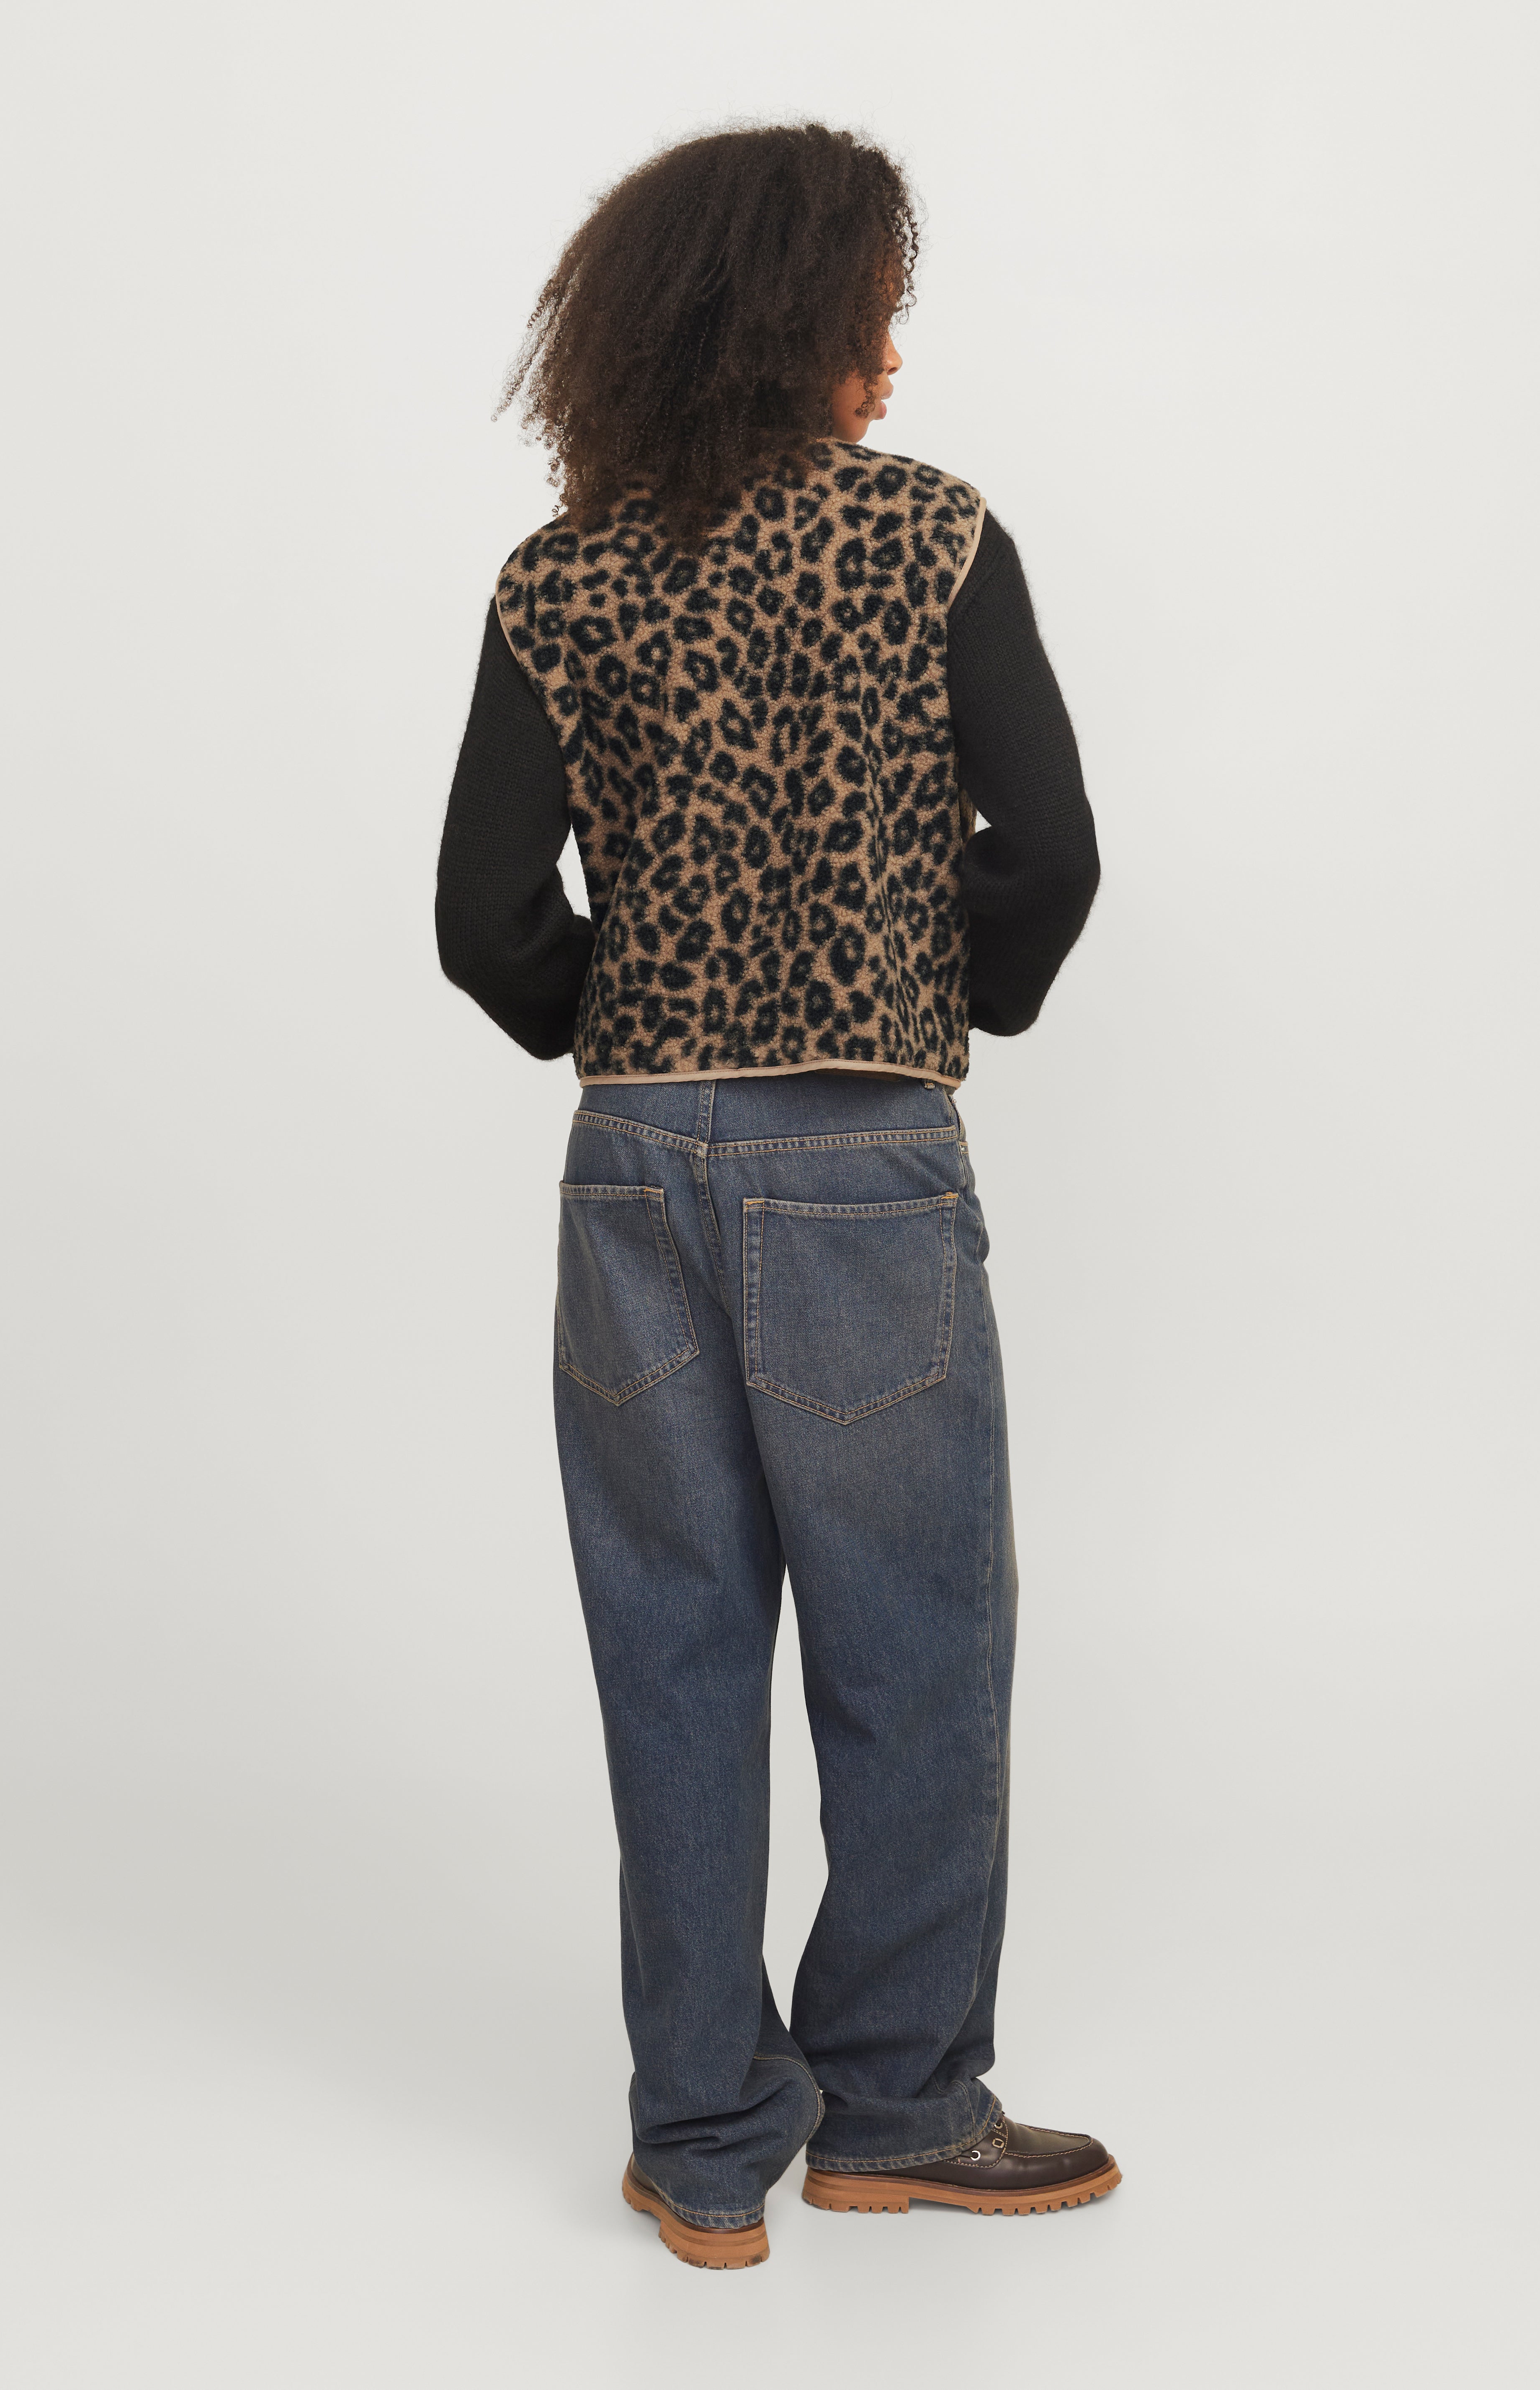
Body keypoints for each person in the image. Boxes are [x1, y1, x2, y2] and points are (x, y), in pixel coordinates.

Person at [436, 122, 1114, 2271]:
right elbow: (1052, 853)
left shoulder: (563, 575)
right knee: (913, 1641)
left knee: (672, 1642)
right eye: (870, 318)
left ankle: (704, 2144)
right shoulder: (929, 538)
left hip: (633, 1162)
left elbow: (480, 916)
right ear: (793, 323)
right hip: (862, 1164)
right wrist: (942, 988)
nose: (891, 361)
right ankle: (897, 2106)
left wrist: (624, 1009)